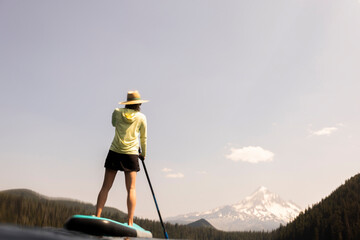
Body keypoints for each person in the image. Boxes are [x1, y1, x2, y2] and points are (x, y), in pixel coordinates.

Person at [96, 90, 148, 226]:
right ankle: (130, 222)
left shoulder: (117, 112)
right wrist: (144, 153)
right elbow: (143, 138)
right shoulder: (141, 117)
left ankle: (97, 215)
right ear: (138, 104)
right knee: (131, 188)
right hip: (131, 154)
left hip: (115, 151)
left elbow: (114, 124)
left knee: (105, 187)